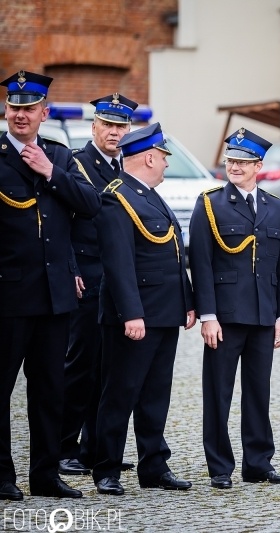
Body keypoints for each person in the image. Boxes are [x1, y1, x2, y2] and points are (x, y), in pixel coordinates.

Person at [0, 69, 100, 501]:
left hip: (56, 295)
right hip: (7, 295)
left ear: (44, 112)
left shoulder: (60, 157)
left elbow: (90, 205)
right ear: (6, 110)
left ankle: (45, 474)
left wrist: (48, 172)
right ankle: (2, 476)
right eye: (13, 107)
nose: (20, 116)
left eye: (28, 109)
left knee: (49, 390)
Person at [92, 123, 196, 495]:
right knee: (120, 394)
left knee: (155, 395)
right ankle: (106, 469)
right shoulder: (116, 197)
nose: (167, 164)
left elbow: (172, 255)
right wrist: (131, 314)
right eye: (164, 157)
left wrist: (187, 302)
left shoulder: (150, 195)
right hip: (134, 318)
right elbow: (118, 263)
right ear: (150, 157)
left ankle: (154, 466)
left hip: (164, 313)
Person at [189, 128, 280, 489]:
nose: (235, 166)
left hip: (264, 315)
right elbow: (200, 264)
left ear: (258, 165)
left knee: (258, 391)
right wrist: (207, 316)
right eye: (231, 160)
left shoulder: (276, 207)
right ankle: (219, 466)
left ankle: (258, 463)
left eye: (243, 162)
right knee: (218, 393)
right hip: (226, 316)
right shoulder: (210, 204)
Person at [59, 93, 139, 477]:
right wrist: (71, 265)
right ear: (94, 127)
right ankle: (63, 446)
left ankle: (95, 448)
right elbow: (64, 221)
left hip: (119, 278)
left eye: (121, 126)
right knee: (81, 364)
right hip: (88, 275)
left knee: (109, 367)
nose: (115, 132)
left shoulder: (130, 165)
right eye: (108, 125)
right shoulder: (78, 163)